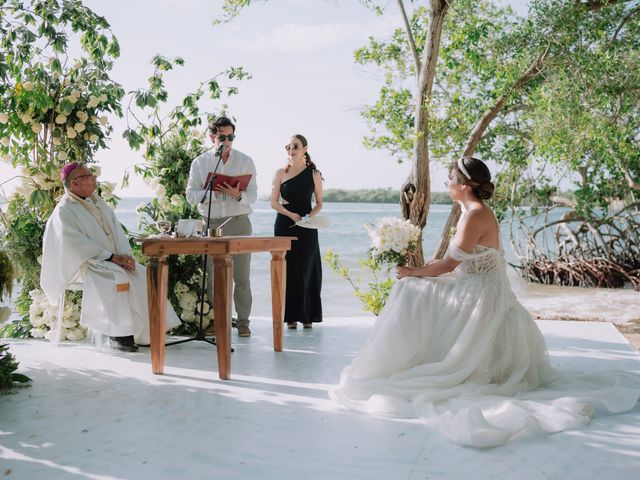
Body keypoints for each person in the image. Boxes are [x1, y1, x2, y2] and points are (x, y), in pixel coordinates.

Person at [330, 157, 640, 448]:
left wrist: (412, 271)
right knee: (412, 287)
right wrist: (419, 272)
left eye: (451, 179)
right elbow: (455, 262)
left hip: (480, 293)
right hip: (475, 283)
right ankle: (410, 356)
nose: (447, 184)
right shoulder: (471, 212)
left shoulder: (475, 214)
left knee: (408, 289)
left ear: (464, 186)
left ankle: (406, 359)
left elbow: (447, 266)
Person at [41, 163, 181, 352]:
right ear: (75, 183)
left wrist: (126, 256)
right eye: (89, 175)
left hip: (109, 259)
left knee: (144, 275)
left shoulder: (96, 202)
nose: (94, 178)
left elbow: (117, 232)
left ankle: (147, 333)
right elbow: (73, 244)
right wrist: (111, 257)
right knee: (118, 279)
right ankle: (119, 335)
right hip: (85, 263)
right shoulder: (64, 210)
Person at [185, 116, 257, 337]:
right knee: (213, 278)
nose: (227, 141)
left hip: (239, 223)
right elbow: (190, 196)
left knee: (242, 278)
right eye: (223, 137)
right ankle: (218, 321)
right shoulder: (200, 162)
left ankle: (243, 322)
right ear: (212, 137)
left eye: (231, 137)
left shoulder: (245, 161)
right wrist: (214, 193)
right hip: (211, 224)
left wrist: (238, 195)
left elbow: (253, 195)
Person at [271, 134, 323, 329]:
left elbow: (319, 203)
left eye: (295, 146)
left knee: (307, 268)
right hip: (284, 224)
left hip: (307, 226)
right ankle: (290, 316)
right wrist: (290, 214)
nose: (290, 149)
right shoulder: (280, 173)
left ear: (305, 149)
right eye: (288, 146)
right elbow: (274, 203)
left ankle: (308, 315)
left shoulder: (314, 174)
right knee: (287, 269)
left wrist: (310, 216)